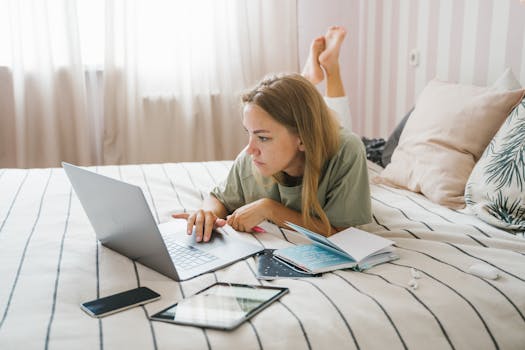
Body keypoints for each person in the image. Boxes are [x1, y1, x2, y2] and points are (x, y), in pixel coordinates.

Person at [173, 26, 372, 242]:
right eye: (249, 133)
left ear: (303, 139)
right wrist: (207, 213)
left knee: (336, 119)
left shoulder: (347, 152)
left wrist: (271, 209)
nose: (250, 149)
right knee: (309, 109)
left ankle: (329, 69)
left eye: (263, 137)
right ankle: (308, 79)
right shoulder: (251, 160)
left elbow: (343, 233)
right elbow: (218, 197)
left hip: (327, 137)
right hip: (307, 126)